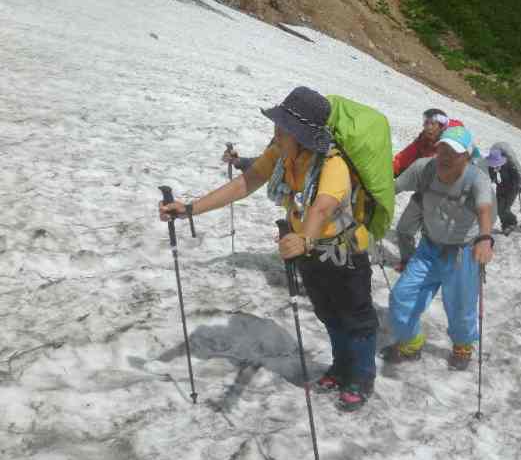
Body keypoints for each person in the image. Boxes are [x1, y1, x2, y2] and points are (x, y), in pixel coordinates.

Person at [159, 86, 379, 411]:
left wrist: (305, 238)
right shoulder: (281, 151)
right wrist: (191, 209)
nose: (277, 130)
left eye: (284, 126)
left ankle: (361, 377)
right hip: (305, 248)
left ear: (302, 134)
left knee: (356, 318)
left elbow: (323, 207)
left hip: (341, 251)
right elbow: (246, 182)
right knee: (329, 313)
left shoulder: (334, 164)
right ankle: (341, 367)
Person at [382, 126, 496, 370]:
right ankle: (411, 341)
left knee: (461, 305)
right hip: (429, 248)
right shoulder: (424, 168)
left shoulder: (477, 178)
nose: (444, 156)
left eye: (452, 152)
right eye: (442, 148)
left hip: (463, 253)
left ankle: (463, 345)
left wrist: (485, 238)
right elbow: (393, 187)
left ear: (466, 156)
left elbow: (485, 209)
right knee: (402, 296)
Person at [392, 109, 463, 273]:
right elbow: (403, 159)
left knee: (431, 235)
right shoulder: (423, 141)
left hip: (444, 198)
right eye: (426, 123)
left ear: (442, 125)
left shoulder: (455, 143)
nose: (428, 127)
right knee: (403, 229)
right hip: (423, 193)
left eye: (432, 124)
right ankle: (408, 260)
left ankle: (428, 267)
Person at [485, 143, 521, 236]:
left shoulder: (509, 164)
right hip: (501, 188)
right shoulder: (491, 167)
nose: (494, 165)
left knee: (504, 209)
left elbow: (517, 176)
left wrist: (518, 186)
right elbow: (490, 177)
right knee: (498, 209)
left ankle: (509, 223)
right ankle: (508, 223)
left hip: (512, 189)